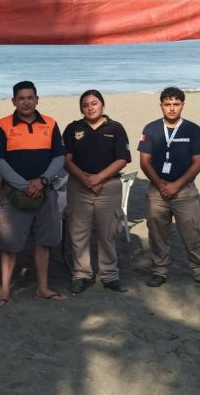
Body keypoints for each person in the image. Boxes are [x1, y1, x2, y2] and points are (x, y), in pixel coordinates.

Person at [0, 81, 69, 306]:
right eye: (21, 98)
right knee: (10, 244)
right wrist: (24, 185)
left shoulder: (50, 123)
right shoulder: (3, 125)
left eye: (30, 97)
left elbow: (59, 157)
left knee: (44, 241)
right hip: (15, 195)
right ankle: (5, 291)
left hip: (45, 192)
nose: (26, 102)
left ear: (37, 99)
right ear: (14, 101)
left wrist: (42, 181)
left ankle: (43, 288)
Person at [137, 87, 200, 290]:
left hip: (184, 190)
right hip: (157, 190)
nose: (172, 108)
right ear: (161, 106)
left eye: (176, 104)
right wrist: (161, 184)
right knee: (157, 233)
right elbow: (144, 161)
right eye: (167, 104)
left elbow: (198, 163)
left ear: (183, 105)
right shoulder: (151, 129)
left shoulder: (193, 129)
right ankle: (159, 271)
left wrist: (176, 185)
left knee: (193, 233)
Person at [63, 89, 131, 294]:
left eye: (94, 103)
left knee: (107, 232)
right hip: (79, 187)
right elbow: (66, 159)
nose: (90, 108)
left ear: (102, 105)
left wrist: (98, 178)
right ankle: (81, 274)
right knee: (78, 233)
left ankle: (109, 275)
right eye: (85, 105)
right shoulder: (73, 128)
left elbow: (122, 159)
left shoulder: (115, 128)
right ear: (81, 108)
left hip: (108, 187)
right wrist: (86, 180)